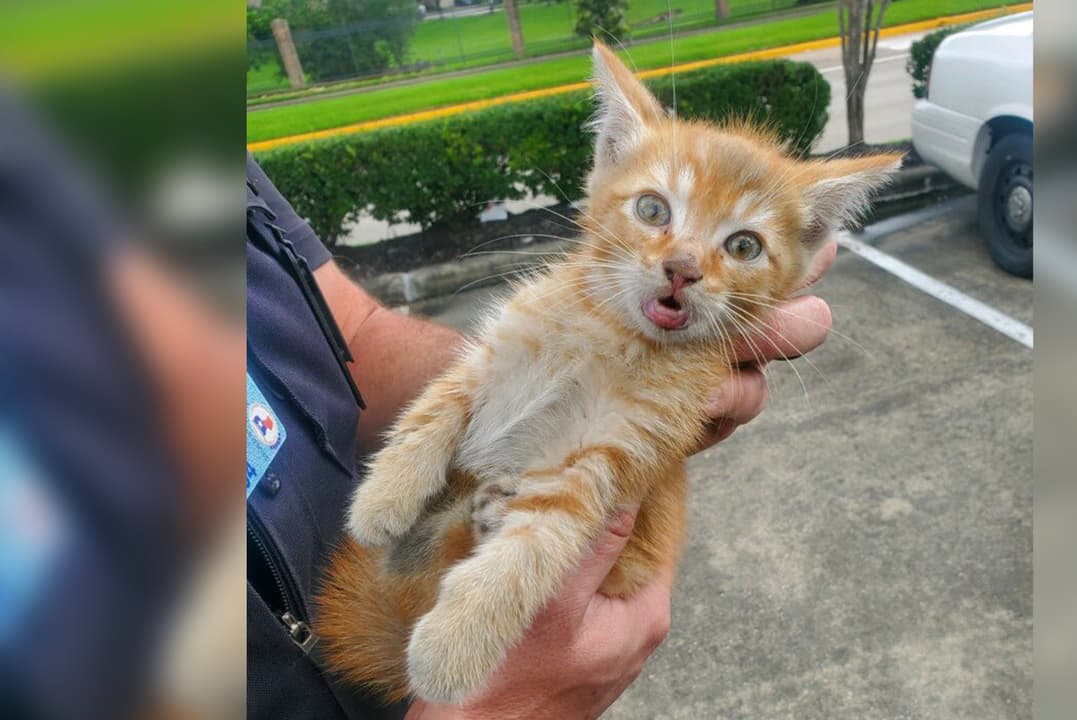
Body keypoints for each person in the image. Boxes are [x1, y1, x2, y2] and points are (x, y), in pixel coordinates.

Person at [245, 154, 835, 719]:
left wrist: (530, 385)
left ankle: (467, 541)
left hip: (412, 593)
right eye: (655, 212)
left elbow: (358, 331)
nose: (684, 262)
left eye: (742, 245)